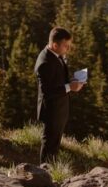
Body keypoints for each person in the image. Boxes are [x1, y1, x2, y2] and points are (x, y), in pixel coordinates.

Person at [34, 26, 85, 164]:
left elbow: (59, 79)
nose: (68, 49)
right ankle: (43, 173)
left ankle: (51, 173)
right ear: (55, 45)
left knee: (55, 144)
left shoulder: (56, 55)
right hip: (51, 110)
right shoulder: (44, 62)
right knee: (49, 144)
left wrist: (71, 82)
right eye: (66, 46)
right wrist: (69, 87)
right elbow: (47, 91)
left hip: (60, 109)